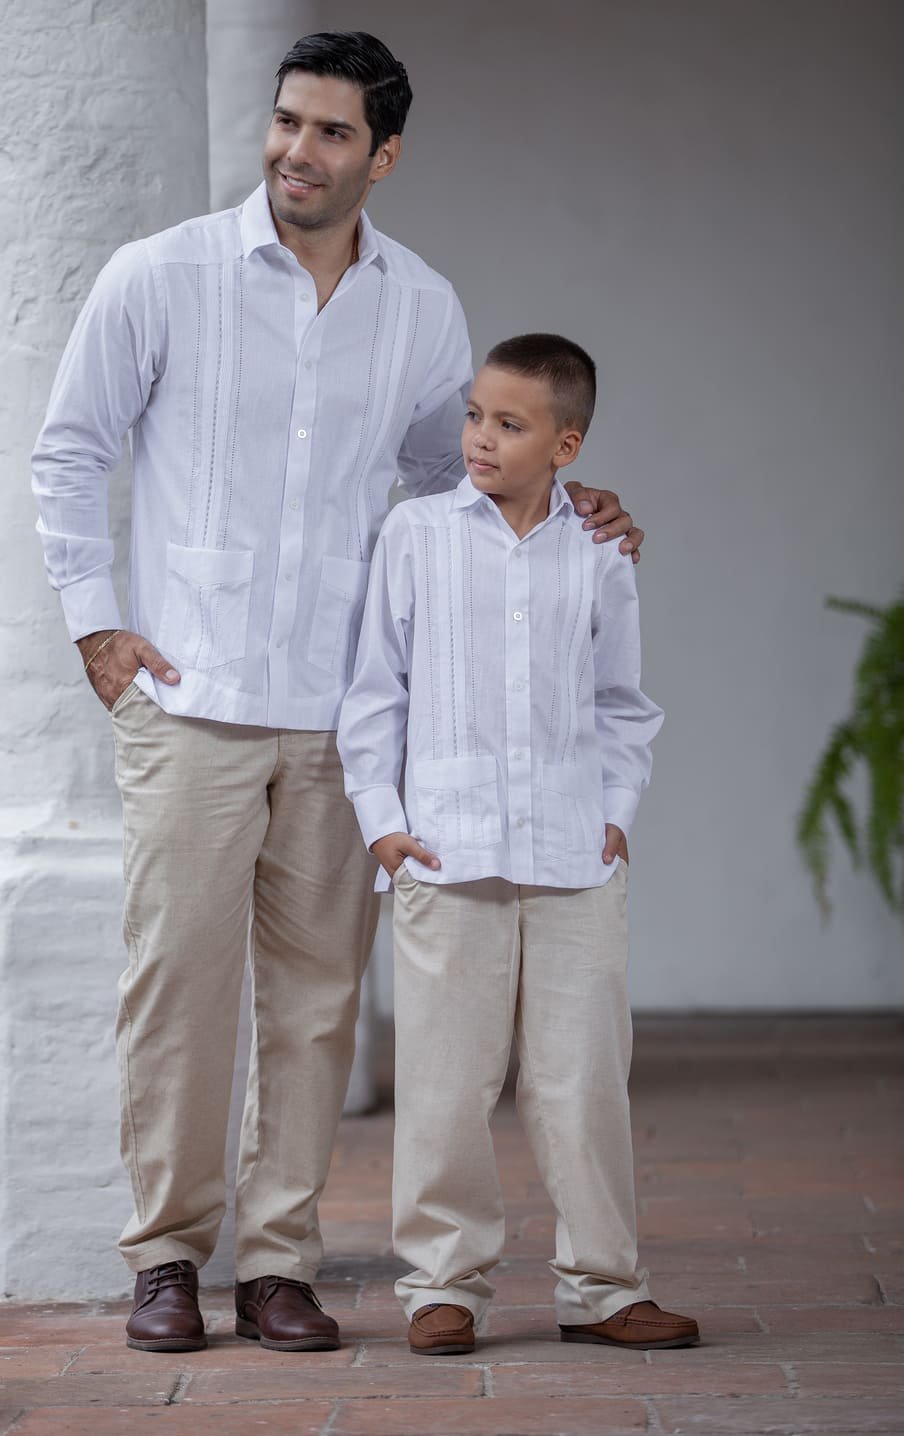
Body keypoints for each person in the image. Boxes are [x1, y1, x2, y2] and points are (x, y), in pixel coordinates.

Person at [31, 32, 645, 1356]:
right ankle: (167, 1257)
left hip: (338, 712)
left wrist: (566, 505)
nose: (296, 152)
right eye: (287, 122)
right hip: (190, 699)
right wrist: (98, 628)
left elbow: (451, 486)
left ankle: (279, 1263)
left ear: (384, 156)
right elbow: (73, 448)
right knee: (179, 989)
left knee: (315, 1004)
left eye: (329, 134)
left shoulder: (421, 307)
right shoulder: (164, 276)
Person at [337, 334, 698, 1354]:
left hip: (574, 852)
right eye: (474, 416)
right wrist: (386, 825)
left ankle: (603, 1285)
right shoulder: (415, 534)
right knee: (447, 1081)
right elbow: (377, 692)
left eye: (509, 423)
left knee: (581, 1077)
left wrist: (618, 809)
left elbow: (622, 700)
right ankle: (444, 1282)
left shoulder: (599, 551)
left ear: (565, 443)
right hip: (446, 852)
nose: (479, 439)